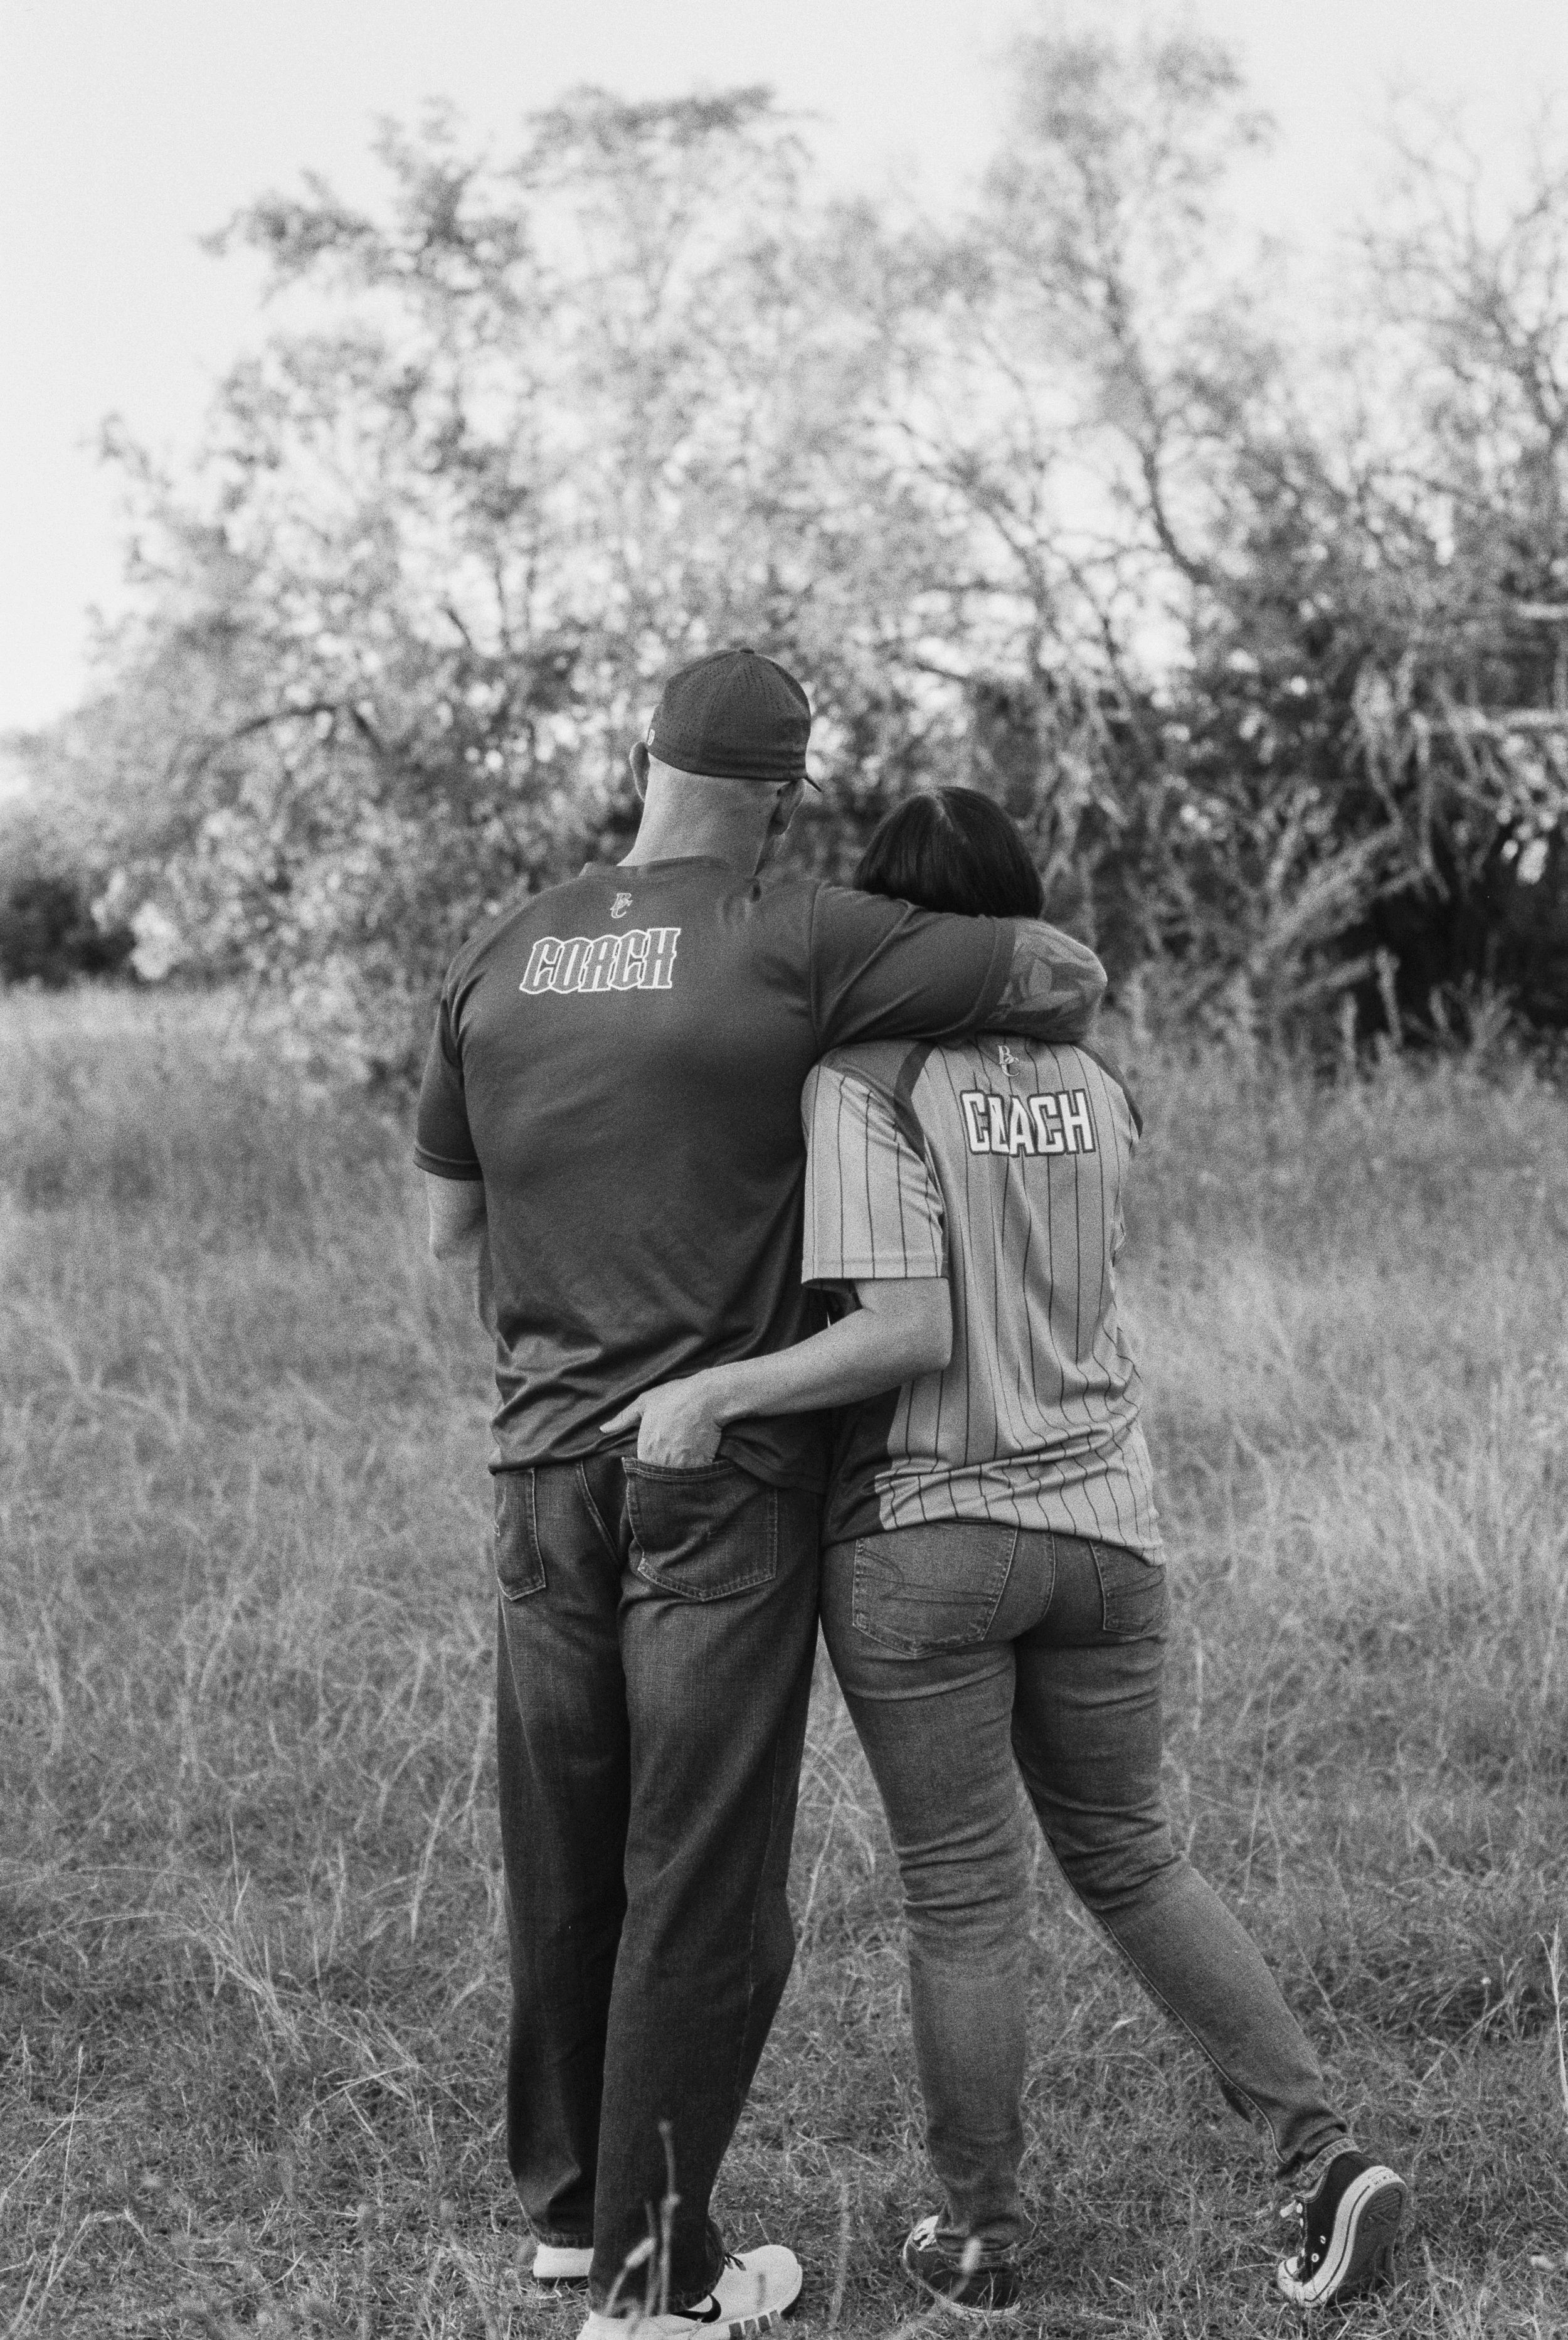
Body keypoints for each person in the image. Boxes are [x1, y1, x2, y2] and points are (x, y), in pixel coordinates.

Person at [612, 787, 1407, 2318]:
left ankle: (977, 2237)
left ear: (899, 928)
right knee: (1129, 1851)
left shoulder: (864, 1078)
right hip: (1109, 1532)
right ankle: (1319, 2158)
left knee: (964, 1895)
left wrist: (716, 1385)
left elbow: (902, 1332)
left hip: (932, 1534)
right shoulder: (1094, 1082)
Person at [415, 653, 1109, 2340]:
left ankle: (580, 2223)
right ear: (787, 790)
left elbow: (445, 1232)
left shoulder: (501, 948)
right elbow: (1063, 968)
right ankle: (659, 2287)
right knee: (703, 1872)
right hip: (718, 1474)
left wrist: (538, 1390)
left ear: (637, 755)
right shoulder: (797, 934)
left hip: (538, 1466)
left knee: (562, 1846)